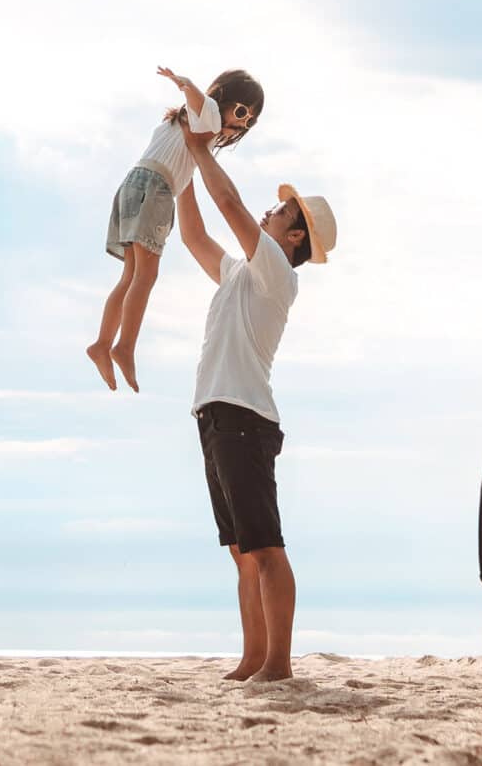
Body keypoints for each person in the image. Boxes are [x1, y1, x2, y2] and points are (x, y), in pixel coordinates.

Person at [175, 132, 337, 683]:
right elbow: (194, 234)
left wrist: (200, 149)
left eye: (281, 209)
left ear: (294, 235)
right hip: (216, 417)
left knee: (266, 548)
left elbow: (229, 206)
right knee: (243, 553)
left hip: (245, 421)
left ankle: (278, 665)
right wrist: (180, 169)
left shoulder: (276, 272)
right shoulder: (240, 272)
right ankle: (253, 659)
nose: (269, 210)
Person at [85, 65, 265, 392]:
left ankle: (102, 342)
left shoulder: (177, 123)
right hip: (156, 189)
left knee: (129, 276)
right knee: (146, 275)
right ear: (223, 98)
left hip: (132, 185)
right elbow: (205, 104)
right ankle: (124, 347)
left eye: (250, 121)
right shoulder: (206, 117)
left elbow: (185, 168)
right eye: (241, 111)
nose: (242, 122)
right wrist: (186, 84)